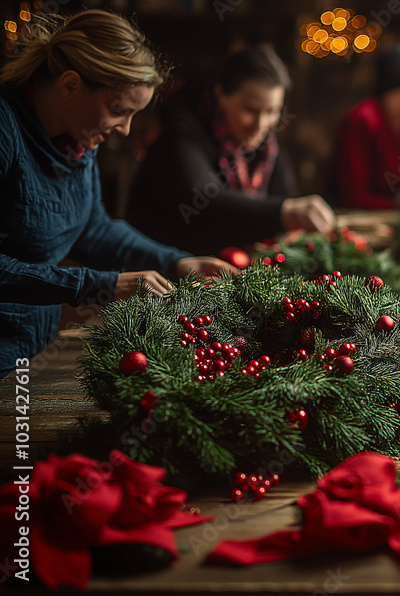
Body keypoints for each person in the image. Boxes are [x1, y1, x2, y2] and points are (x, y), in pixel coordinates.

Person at [0, 10, 238, 377]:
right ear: (70, 84)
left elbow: (92, 228)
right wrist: (100, 285)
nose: (125, 130)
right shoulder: (6, 130)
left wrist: (175, 262)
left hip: (32, 346)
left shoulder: (80, 138)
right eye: (118, 111)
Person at [126, 46, 335, 255]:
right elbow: (206, 204)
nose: (261, 124)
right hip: (163, 270)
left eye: (272, 111)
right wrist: (285, 212)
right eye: (250, 110)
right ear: (221, 94)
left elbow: (285, 195)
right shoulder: (182, 133)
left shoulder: (266, 146)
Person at [330, 42, 400, 210]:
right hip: (361, 217)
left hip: (398, 216)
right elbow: (354, 195)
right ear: (390, 91)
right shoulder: (362, 121)